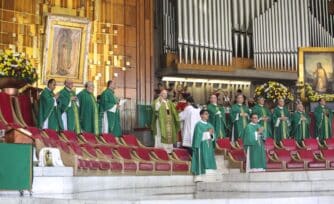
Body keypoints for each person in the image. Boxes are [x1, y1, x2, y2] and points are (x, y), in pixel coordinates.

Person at [191, 109, 217, 182]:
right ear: (201, 115)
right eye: (205, 114)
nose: (207, 115)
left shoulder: (210, 125)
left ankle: (209, 174)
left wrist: (212, 135)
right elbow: (198, 137)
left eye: (208, 114)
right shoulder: (198, 124)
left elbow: (214, 136)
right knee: (201, 158)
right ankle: (199, 175)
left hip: (209, 146)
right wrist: (208, 133)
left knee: (209, 159)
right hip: (201, 146)